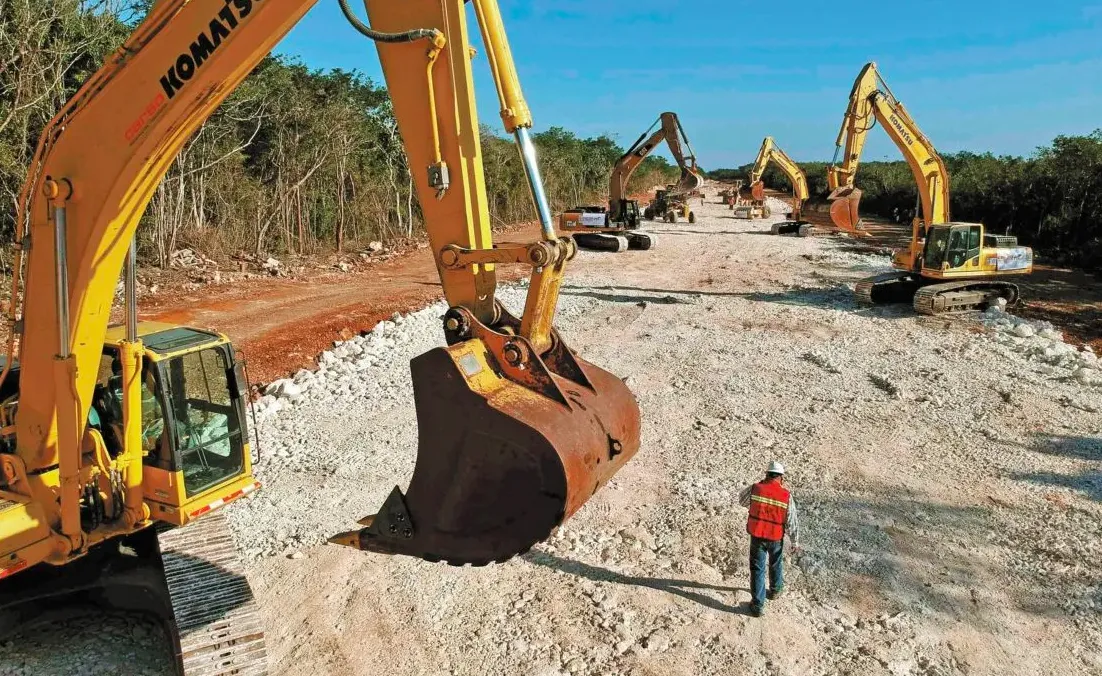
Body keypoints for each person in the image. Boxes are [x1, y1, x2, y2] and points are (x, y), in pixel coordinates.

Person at [739, 461, 800, 617]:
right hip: (775, 538)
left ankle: (758, 605)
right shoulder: (786, 495)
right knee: (775, 563)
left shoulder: (756, 488)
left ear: (766, 474)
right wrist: (795, 541)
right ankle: (775, 590)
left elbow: (742, 501)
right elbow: (791, 520)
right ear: (781, 477)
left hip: (757, 536)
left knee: (757, 569)